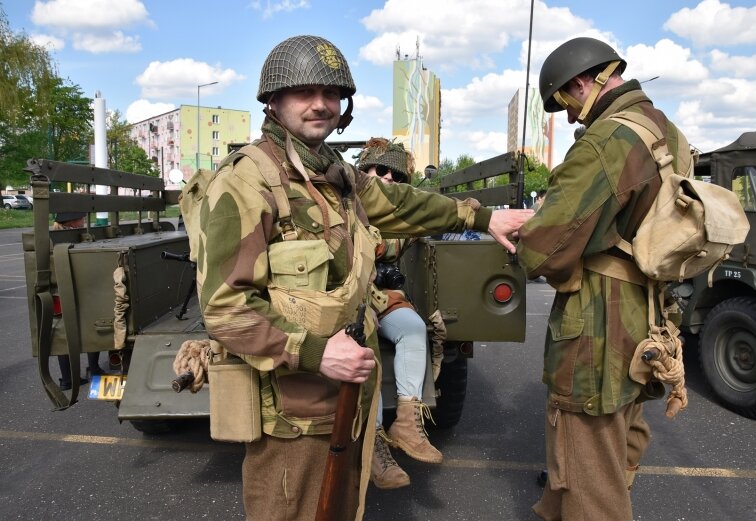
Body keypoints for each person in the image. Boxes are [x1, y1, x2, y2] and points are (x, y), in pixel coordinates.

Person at [195, 35, 530, 521]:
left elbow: (403, 203)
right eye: (304, 92)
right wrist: (315, 351)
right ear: (272, 101)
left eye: (331, 94)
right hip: (293, 416)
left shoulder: (337, 177)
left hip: (345, 404)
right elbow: (226, 308)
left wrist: (481, 219)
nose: (320, 105)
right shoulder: (247, 180)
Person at [516, 37, 692, 520]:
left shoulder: (606, 141)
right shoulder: (666, 131)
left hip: (599, 323)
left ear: (582, 82)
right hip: (646, 315)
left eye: (566, 102)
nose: (570, 116)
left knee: (589, 466)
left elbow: (541, 249)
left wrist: (529, 227)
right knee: (618, 435)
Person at [356, 138, 440, 490]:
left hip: (378, 293)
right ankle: (373, 444)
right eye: (379, 169)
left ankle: (406, 419)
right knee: (366, 348)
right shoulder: (345, 200)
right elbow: (368, 247)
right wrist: (395, 242)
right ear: (364, 171)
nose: (388, 177)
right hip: (344, 294)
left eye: (396, 173)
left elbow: (424, 220)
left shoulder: (401, 206)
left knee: (413, 328)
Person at [52, 212, 105, 389]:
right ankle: (94, 368)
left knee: (62, 333)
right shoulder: (77, 238)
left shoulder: (52, 237)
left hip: (59, 291)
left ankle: (67, 379)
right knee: (91, 325)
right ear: (73, 222)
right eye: (81, 219)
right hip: (81, 288)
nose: (84, 221)